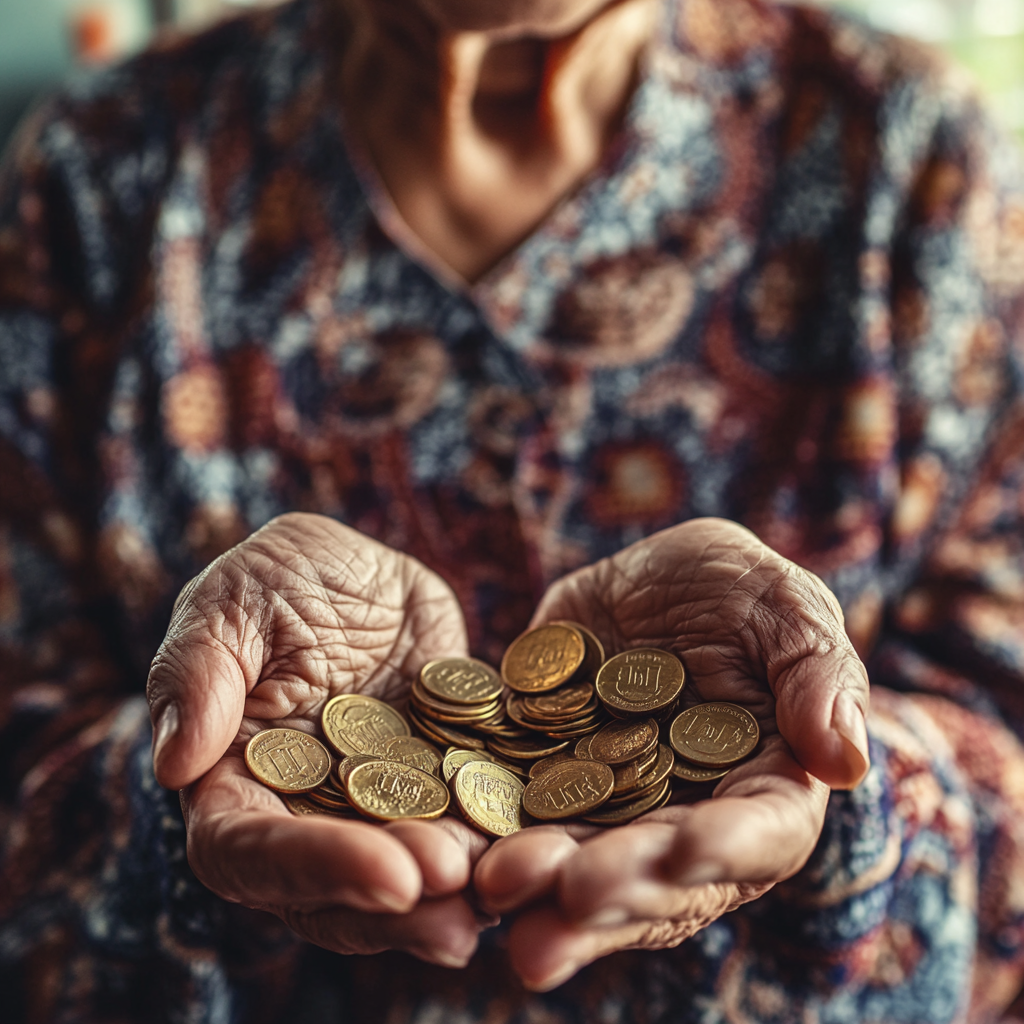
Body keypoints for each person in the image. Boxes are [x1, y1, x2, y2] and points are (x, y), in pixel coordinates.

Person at [2, 0, 1024, 1019]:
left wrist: (849, 786)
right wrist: (168, 793)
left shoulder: (918, 163)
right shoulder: (99, 177)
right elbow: (21, 759)